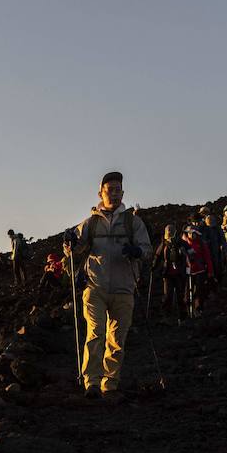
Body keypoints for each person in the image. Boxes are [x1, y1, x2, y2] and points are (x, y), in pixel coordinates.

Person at [65, 171, 151, 402]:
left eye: (117, 190)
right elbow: (72, 249)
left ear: (122, 193)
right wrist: (69, 243)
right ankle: (91, 382)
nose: (113, 193)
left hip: (124, 287)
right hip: (95, 286)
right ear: (100, 193)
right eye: (109, 189)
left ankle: (109, 384)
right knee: (96, 332)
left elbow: (147, 250)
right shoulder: (91, 223)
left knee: (117, 338)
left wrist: (137, 252)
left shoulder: (133, 222)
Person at [153, 225, 187, 320]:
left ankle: (182, 315)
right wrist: (154, 266)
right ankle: (167, 315)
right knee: (168, 295)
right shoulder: (164, 244)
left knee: (180, 295)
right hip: (168, 274)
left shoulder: (181, 243)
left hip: (179, 273)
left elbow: (189, 253)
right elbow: (158, 256)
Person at [181, 223, 212, 317]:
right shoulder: (183, 244)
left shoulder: (201, 243)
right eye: (190, 233)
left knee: (199, 291)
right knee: (187, 292)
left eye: (193, 233)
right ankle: (188, 310)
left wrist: (210, 271)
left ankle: (198, 309)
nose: (191, 234)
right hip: (187, 271)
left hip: (200, 270)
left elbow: (207, 257)